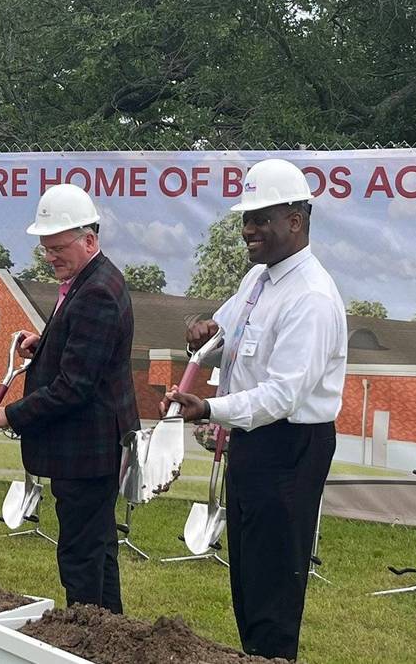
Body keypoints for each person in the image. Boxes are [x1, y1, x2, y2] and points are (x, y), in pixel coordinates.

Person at [164, 158, 347, 661]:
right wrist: (201, 331)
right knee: (247, 578)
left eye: (261, 217)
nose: (248, 229)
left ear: (295, 219)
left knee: (272, 591)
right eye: (246, 218)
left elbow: (281, 396)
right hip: (255, 444)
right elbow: (223, 339)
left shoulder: (310, 297)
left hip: (289, 448)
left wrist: (208, 408)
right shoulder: (259, 282)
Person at [0, 184, 138, 614]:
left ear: (89, 239)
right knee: (98, 550)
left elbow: (74, 387)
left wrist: (6, 413)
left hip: (86, 449)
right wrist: (43, 344)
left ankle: (86, 640)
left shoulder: (97, 292)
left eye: (58, 247)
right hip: (94, 446)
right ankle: (112, 638)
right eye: (45, 248)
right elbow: (82, 350)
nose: (50, 257)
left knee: (81, 557)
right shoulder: (91, 280)